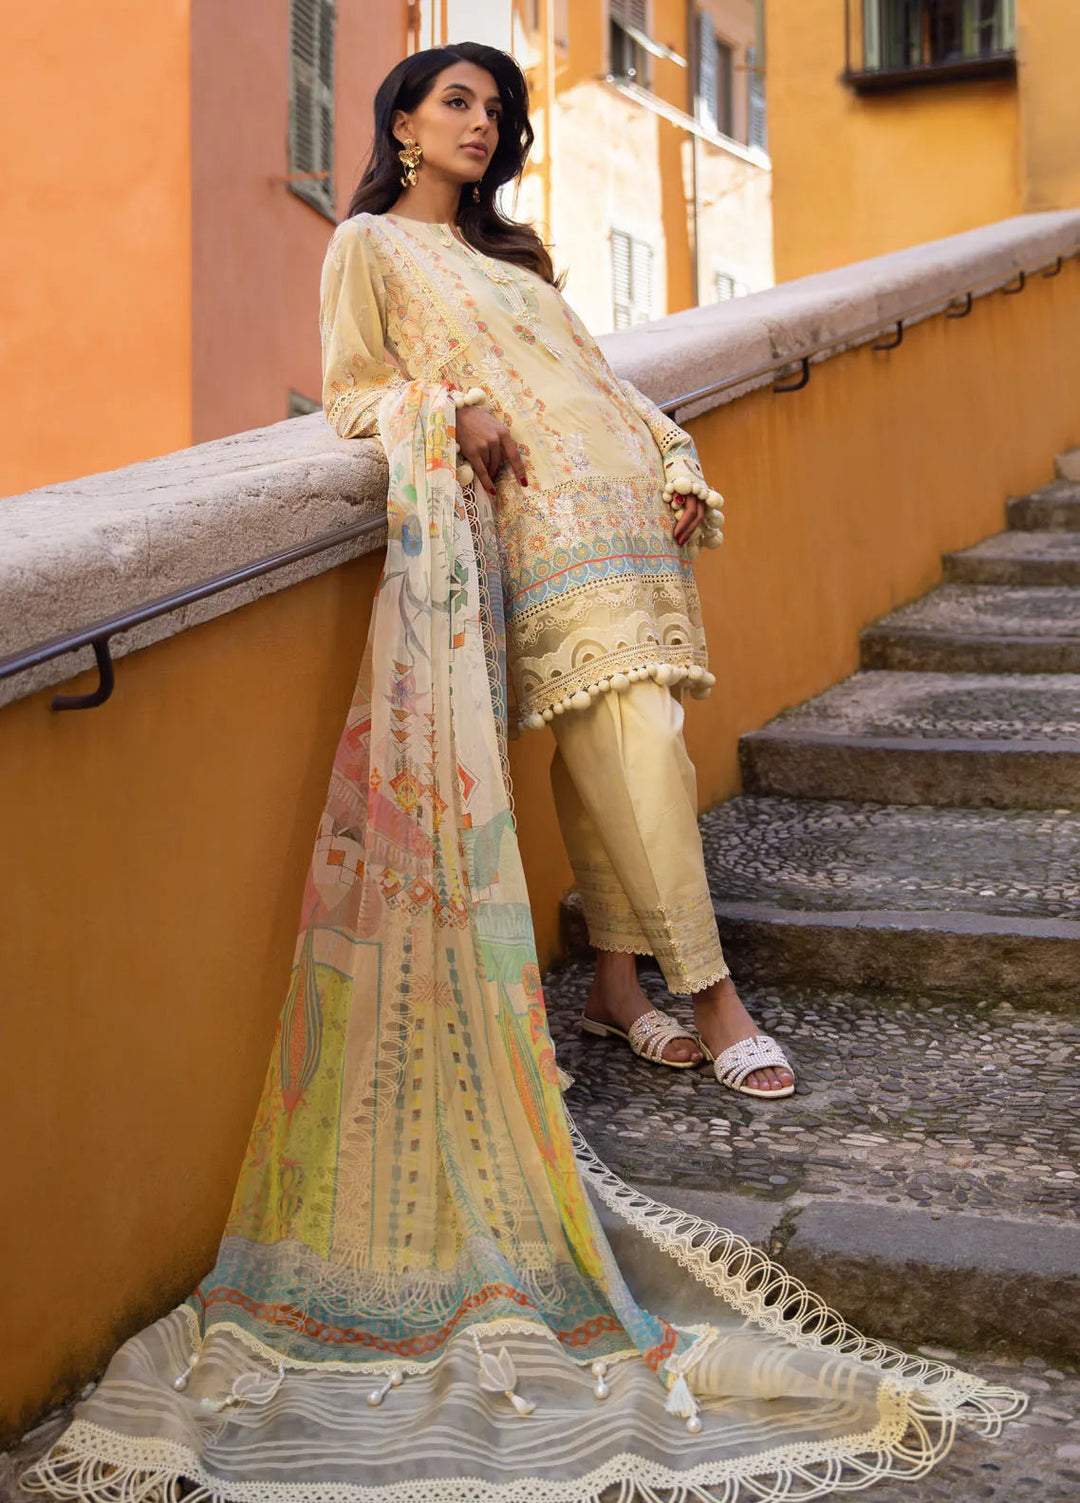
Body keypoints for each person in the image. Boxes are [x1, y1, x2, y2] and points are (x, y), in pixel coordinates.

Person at [24, 43, 1022, 1503]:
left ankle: (616, 985)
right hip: (526, 530)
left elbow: (597, 381)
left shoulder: (524, 265)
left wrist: (674, 455)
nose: (482, 124)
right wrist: (449, 413)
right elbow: (352, 395)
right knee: (631, 741)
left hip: (621, 516)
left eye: (497, 109)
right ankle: (712, 997)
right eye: (457, 103)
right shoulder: (369, 249)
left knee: (615, 741)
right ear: (400, 122)